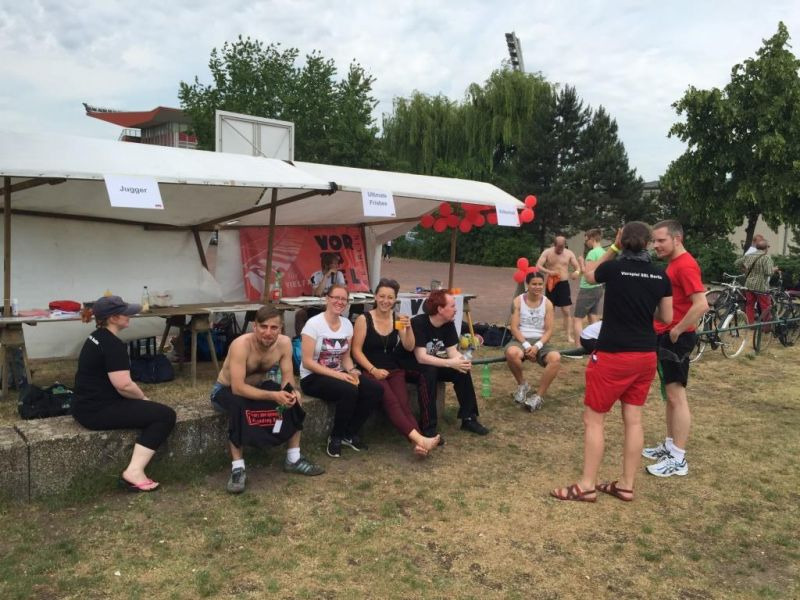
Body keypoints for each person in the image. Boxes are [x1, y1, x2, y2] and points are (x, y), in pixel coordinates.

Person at [551, 223, 673, 502]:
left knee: (594, 420)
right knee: (634, 420)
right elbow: (666, 317)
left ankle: (586, 486)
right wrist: (644, 307)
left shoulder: (614, 268)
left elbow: (589, 274)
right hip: (645, 354)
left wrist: (613, 248)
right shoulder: (660, 274)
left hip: (613, 354)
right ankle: (626, 485)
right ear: (648, 243)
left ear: (622, 240)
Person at [210, 306, 324, 494]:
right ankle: (238, 468)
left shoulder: (284, 343)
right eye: (263, 327)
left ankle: (293, 458)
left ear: (281, 329)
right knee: (238, 405)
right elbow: (237, 388)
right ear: (255, 326)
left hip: (258, 386)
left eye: (274, 328)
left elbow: (287, 378)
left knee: (293, 399)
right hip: (226, 390)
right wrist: (273, 396)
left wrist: (291, 392)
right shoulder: (241, 345)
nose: (268, 332)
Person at [73, 295, 176, 492]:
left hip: (83, 406)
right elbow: (124, 386)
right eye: (125, 313)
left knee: (152, 411)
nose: (130, 316)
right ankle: (134, 471)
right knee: (165, 416)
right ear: (113, 318)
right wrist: (143, 399)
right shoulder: (113, 345)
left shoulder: (96, 337)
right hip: (96, 411)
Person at [644, 220, 709, 478]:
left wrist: (677, 329)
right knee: (669, 396)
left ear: (677, 239)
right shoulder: (674, 264)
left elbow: (701, 304)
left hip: (676, 339)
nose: (655, 245)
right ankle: (670, 445)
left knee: (676, 396)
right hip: (666, 336)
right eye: (654, 241)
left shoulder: (685, 265)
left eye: (661, 240)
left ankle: (678, 458)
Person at [351, 278, 441, 456]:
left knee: (403, 404)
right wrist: (373, 370)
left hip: (393, 369)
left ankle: (418, 443)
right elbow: (356, 351)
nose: (385, 301)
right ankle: (421, 439)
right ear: (375, 297)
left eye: (390, 297)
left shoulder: (397, 318)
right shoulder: (364, 319)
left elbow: (409, 346)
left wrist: (408, 329)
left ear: (395, 300)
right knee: (391, 402)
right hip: (370, 370)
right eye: (382, 296)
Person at [300, 284, 383, 458]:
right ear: (327, 299)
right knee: (349, 390)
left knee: (375, 389)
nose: (339, 302)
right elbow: (307, 362)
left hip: (338, 373)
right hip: (312, 377)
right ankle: (335, 437)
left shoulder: (346, 325)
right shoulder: (313, 324)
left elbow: (345, 356)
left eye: (343, 299)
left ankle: (349, 433)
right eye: (336, 297)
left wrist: (352, 370)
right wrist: (339, 375)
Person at [409, 290, 489, 437]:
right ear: (440, 309)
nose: (456, 309)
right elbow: (421, 357)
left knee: (461, 369)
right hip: (410, 365)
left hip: (432, 363)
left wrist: (461, 361)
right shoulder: (418, 323)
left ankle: (469, 418)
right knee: (430, 372)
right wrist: (450, 363)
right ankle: (428, 428)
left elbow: (452, 352)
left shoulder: (448, 324)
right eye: (452, 306)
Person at [504, 271, 562, 411]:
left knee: (555, 358)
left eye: (540, 284)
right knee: (512, 353)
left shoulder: (548, 303)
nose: (537, 287)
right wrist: (526, 345)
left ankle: (538, 397)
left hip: (540, 340)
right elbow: (514, 327)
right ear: (527, 285)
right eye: (534, 284)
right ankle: (522, 385)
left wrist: (536, 347)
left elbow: (549, 330)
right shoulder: (518, 301)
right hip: (520, 339)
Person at [536, 235, 581, 343]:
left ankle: (568, 335)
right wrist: (549, 272)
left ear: (565, 245)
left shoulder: (569, 253)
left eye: (562, 247)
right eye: (558, 247)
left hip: (563, 284)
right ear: (554, 244)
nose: (560, 249)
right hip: (551, 284)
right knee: (550, 310)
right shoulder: (547, 252)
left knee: (566, 310)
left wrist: (576, 272)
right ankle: (547, 334)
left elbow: (577, 267)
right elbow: (538, 266)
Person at [734, 238, 778, 345]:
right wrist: (774, 269)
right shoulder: (766, 257)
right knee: (766, 306)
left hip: (749, 285)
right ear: (766, 248)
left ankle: (750, 324)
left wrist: (745, 269)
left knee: (749, 305)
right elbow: (768, 272)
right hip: (761, 286)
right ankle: (766, 328)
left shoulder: (749, 255)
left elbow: (736, 263)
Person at [572, 229, 605, 345]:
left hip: (588, 289)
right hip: (598, 287)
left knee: (577, 319)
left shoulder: (592, 253)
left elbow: (587, 273)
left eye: (586, 240)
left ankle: (578, 346)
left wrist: (581, 262)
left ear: (592, 238)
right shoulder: (604, 252)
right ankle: (597, 344)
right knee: (592, 315)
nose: (586, 243)